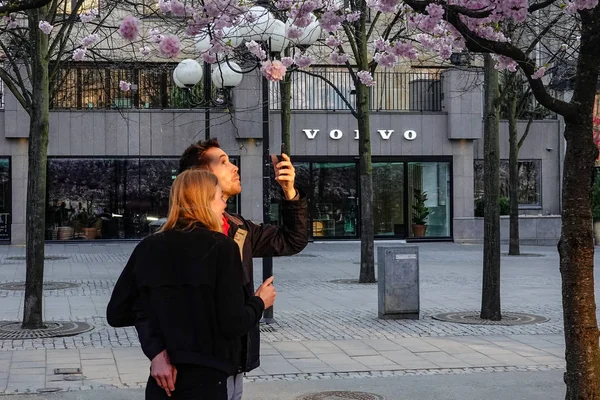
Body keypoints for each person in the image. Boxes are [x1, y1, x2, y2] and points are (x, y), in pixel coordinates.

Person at [137, 138, 309, 399]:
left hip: (232, 361)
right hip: (188, 369)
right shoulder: (173, 238)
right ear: (201, 176)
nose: (235, 167)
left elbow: (291, 240)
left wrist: (290, 193)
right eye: (224, 162)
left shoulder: (239, 229)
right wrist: (157, 352)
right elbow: (141, 302)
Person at [107, 169, 277, 400]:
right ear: (204, 201)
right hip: (208, 377)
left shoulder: (148, 247)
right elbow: (232, 323)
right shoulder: (222, 247)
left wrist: (156, 351)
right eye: (219, 198)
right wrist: (260, 301)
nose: (223, 207)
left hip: (163, 380)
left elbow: (119, 312)